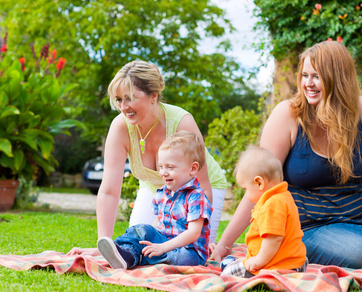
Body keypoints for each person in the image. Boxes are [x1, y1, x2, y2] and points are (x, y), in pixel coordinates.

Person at [210, 41, 362, 269]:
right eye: (305, 75)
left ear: (338, 78)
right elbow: (258, 187)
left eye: (317, 76)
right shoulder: (288, 115)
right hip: (310, 229)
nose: (308, 84)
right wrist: (224, 245)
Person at [69, 60, 227, 257]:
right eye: (118, 99)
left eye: (130, 98)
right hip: (156, 191)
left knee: (185, 253)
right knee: (141, 244)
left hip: (199, 191)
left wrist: (198, 236)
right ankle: (113, 251)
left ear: (154, 96)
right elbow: (109, 191)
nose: (123, 107)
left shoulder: (181, 122)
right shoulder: (120, 128)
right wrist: (104, 243)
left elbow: (202, 185)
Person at [97, 131, 212, 269]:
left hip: (188, 251)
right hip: (163, 242)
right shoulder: (161, 193)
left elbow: (193, 233)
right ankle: (124, 254)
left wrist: (163, 247)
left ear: (192, 169)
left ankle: (138, 256)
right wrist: (148, 238)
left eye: (170, 167)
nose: (163, 172)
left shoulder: (196, 196)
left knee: (180, 258)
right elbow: (157, 223)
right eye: (161, 166)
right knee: (141, 229)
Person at [220, 145, 307, 278]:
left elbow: (273, 240)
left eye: (245, 189)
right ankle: (236, 263)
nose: (246, 195)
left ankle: (231, 264)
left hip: (276, 265)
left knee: (228, 272)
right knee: (240, 262)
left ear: (259, 183)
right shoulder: (284, 196)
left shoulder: (272, 205)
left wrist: (258, 261)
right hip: (295, 262)